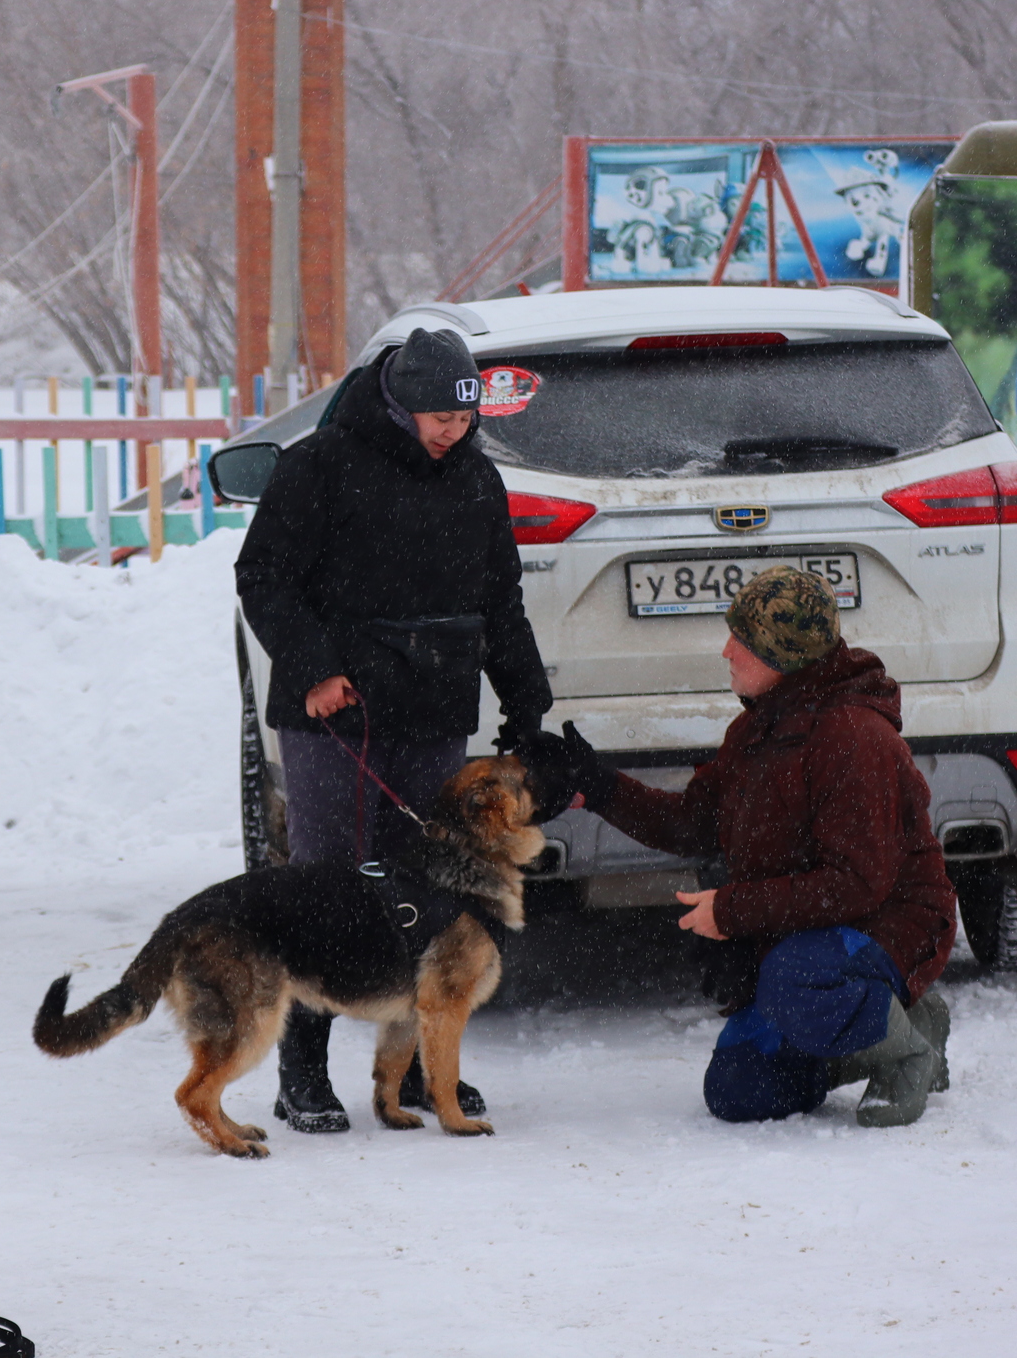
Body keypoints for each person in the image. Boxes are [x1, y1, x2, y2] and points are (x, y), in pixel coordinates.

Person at [234, 326, 554, 1133]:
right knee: (334, 889)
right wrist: (310, 668)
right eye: (438, 416)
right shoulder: (320, 464)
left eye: (464, 418)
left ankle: (415, 1074)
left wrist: (526, 704)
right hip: (336, 715)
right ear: (398, 400)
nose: (452, 430)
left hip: (434, 708)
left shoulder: (477, 481)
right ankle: (301, 1071)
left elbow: (502, 606)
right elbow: (263, 576)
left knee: (439, 894)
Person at [555, 567, 956, 1127]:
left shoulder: (853, 738)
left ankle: (907, 1050)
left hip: (890, 924)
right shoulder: (758, 731)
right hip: (813, 931)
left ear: (784, 656)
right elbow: (692, 823)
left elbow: (857, 885)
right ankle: (894, 1021)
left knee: (795, 978)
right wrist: (597, 786)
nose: (726, 650)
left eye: (743, 640)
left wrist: (734, 911)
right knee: (740, 1090)